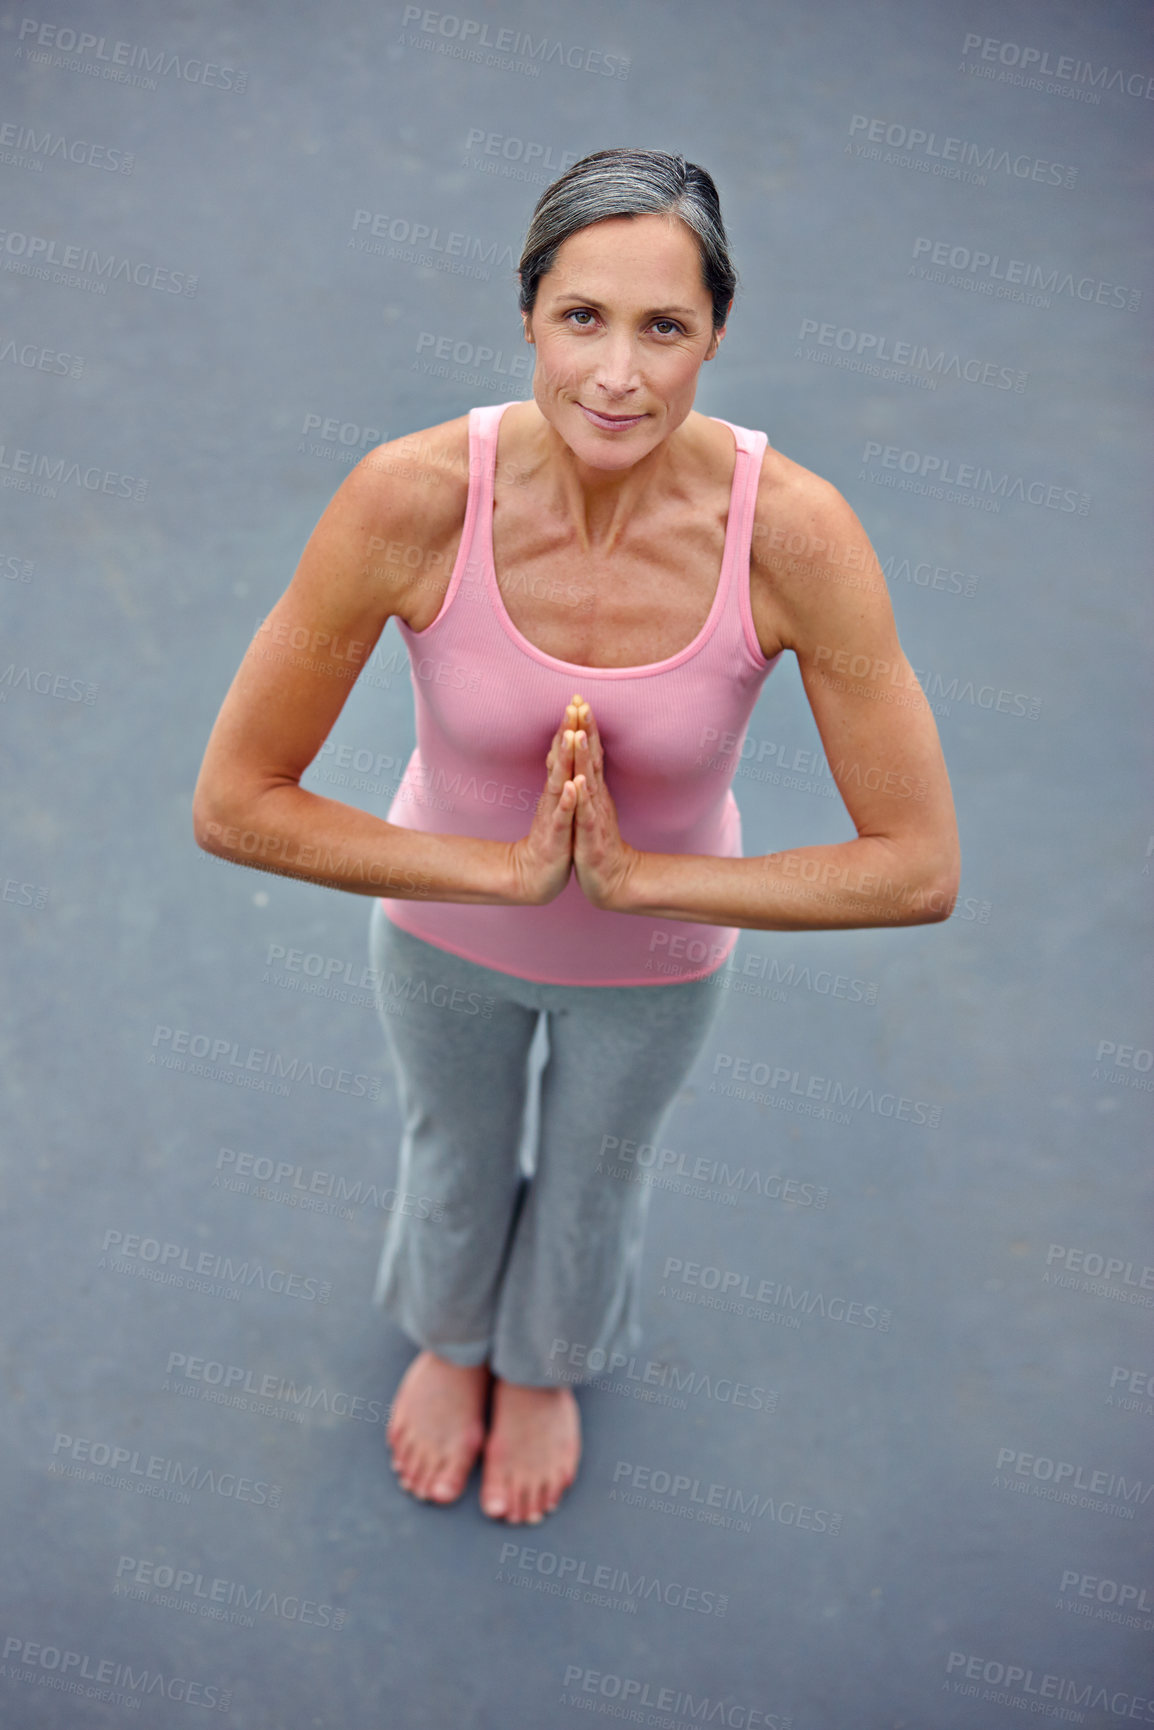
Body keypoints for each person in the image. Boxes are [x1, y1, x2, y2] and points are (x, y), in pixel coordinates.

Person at [193, 147, 959, 1529]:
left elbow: (916, 864)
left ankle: (541, 1366)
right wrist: (498, 873)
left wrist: (637, 881)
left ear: (716, 334)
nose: (618, 373)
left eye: (663, 327)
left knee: (600, 1171)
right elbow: (236, 800)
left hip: (658, 963)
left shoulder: (797, 535)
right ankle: (449, 1337)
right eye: (581, 319)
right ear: (528, 318)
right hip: (440, 935)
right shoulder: (408, 496)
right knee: (455, 1152)